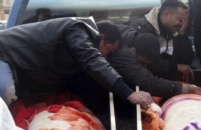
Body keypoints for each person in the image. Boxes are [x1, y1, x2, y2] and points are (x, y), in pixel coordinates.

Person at [0, 17, 153, 110]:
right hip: (4, 54)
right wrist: (128, 93)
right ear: (101, 38)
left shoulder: (76, 56)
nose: (106, 58)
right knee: (6, 94)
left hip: (19, 73)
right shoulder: (77, 29)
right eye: (109, 51)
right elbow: (92, 60)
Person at [108, 32, 201, 103]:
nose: (145, 68)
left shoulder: (137, 42)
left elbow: (152, 64)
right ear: (134, 51)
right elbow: (150, 84)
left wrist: (174, 66)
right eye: (143, 64)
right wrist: (188, 89)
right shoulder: (124, 56)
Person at [129, 0, 194, 82]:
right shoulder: (141, 29)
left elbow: (186, 62)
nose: (182, 24)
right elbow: (144, 62)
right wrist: (175, 66)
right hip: (148, 81)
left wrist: (182, 34)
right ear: (166, 14)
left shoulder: (175, 30)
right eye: (180, 20)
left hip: (170, 80)